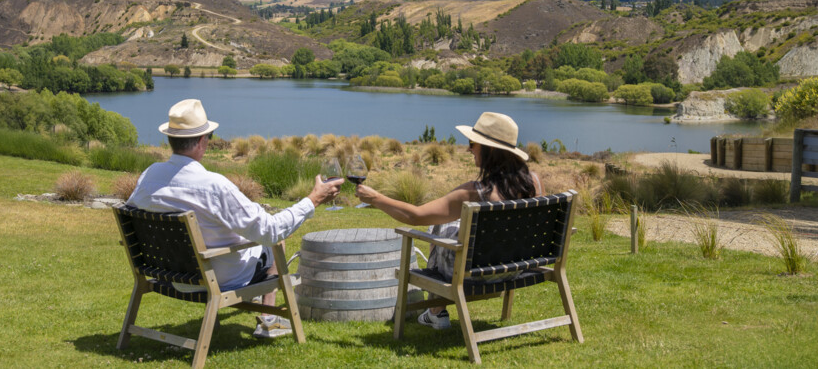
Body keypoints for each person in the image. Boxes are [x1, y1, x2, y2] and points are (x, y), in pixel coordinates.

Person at [126, 99, 343, 339]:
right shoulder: (213, 186)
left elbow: (134, 210)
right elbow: (270, 230)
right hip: (216, 277)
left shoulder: (150, 175)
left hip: (168, 272)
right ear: (202, 141)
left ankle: (267, 318)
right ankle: (268, 318)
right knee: (275, 242)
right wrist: (312, 199)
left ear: (171, 140)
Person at [354, 112, 542, 331]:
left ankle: (436, 311)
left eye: (473, 143)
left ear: (489, 149)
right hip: (516, 268)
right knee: (451, 227)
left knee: (441, 226)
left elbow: (416, 215)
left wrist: (375, 198)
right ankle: (436, 311)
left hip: (476, 275)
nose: (469, 149)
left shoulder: (474, 192)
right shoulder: (535, 182)